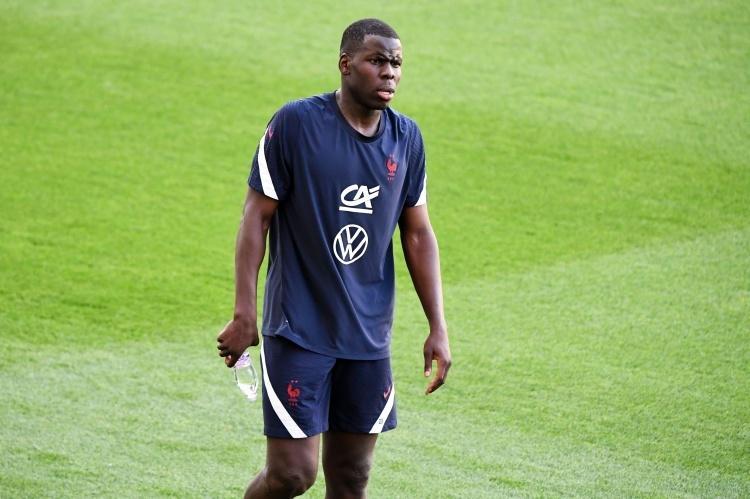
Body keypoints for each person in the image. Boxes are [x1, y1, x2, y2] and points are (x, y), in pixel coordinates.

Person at [217, 18, 451, 498]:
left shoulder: (407, 139)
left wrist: (438, 326)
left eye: (396, 63)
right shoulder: (296, 124)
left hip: (367, 336)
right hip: (299, 329)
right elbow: (255, 218)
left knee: (352, 478)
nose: (389, 72)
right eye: (377, 61)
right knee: (292, 474)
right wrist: (244, 314)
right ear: (345, 64)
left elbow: (418, 234)